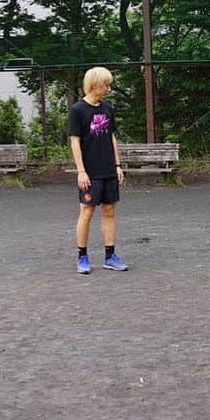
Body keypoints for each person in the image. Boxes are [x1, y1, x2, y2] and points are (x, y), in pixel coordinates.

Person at [68, 66, 129, 274]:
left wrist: (118, 165)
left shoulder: (107, 108)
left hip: (108, 170)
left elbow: (111, 137)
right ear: (95, 85)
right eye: (106, 85)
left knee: (110, 211)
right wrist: (81, 171)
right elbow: (75, 142)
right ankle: (82, 257)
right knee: (86, 212)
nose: (109, 88)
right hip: (90, 172)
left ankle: (110, 256)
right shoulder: (77, 110)